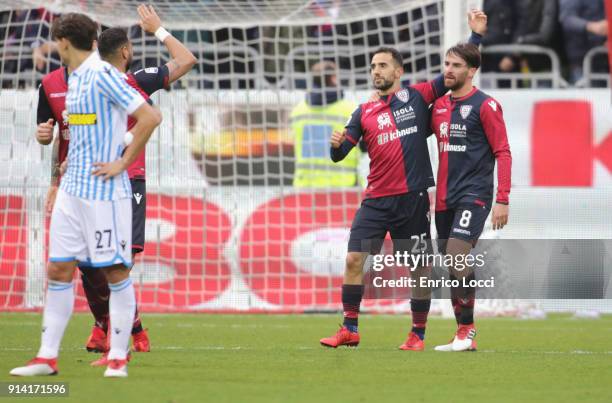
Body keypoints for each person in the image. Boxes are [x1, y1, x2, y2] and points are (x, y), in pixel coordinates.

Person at [318, 10, 487, 350]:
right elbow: (341, 154)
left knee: (420, 268)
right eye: (372, 67)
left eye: (382, 65)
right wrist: (336, 146)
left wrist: (476, 37)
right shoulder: (362, 112)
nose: (375, 71)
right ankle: (349, 327)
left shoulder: (419, 95)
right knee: (354, 260)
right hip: (376, 202)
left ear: (398, 71)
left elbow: (457, 72)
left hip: (412, 202)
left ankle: (418, 333)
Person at [10, 12, 162, 378]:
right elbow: (85, 129)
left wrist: (122, 162)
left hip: (103, 191)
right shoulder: (73, 80)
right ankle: (47, 357)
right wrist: (61, 159)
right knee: (59, 268)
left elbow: (150, 117)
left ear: (63, 43)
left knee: (114, 270)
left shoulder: (102, 75)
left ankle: (118, 357)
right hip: (71, 188)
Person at [429, 43, 511, 351]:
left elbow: (503, 152)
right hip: (444, 198)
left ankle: (467, 330)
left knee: (456, 253)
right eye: (446, 64)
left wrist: (502, 198)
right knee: (451, 262)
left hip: (474, 194)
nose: (448, 70)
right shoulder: (437, 107)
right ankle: (462, 333)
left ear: (471, 71)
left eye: (456, 65)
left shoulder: (485, 106)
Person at [290, 60, 360, 188]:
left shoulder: (297, 111)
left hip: (305, 187)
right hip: (342, 187)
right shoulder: (351, 110)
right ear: (333, 78)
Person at [559, 0, 608, 85]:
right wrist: (591, 26)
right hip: (582, 59)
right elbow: (567, 19)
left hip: (604, 58)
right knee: (583, 95)